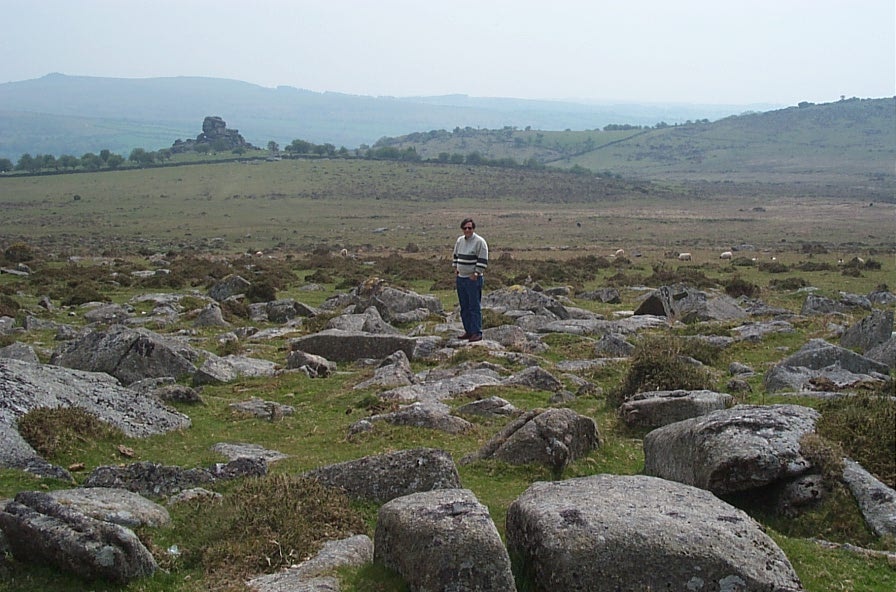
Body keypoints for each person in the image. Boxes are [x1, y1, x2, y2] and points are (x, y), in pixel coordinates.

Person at [452, 217, 488, 342]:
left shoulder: (480, 242)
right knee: (464, 307)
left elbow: (483, 259)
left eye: (470, 228)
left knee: (474, 306)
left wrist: (477, 273)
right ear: (462, 229)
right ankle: (468, 331)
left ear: (473, 229)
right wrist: (455, 267)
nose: (468, 230)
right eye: (465, 228)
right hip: (461, 278)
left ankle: (476, 332)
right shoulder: (460, 241)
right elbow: (455, 255)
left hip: (472, 279)